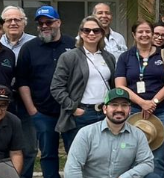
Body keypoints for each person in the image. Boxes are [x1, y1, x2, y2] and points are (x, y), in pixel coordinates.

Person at [15, 6, 76, 178]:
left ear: (58, 23)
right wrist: (32, 109)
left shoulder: (73, 45)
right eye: (40, 23)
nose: (44, 26)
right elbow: (22, 81)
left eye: (48, 22)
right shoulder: (29, 48)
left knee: (74, 153)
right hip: (42, 112)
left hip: (69, 111)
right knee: (48, 153)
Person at [115, 20, 164, 178]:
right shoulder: (125, 57)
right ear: (134, 35)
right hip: (135, 112)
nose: (144, 35)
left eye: (148, 31)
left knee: (159, 158)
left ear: (153, 34)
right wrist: (142, 103)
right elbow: (120, 85)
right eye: (140, 31)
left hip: (161, 112)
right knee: (134, 155)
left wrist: (154, 102)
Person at [50, 16, 116, 144]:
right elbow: (56, 87)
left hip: (105, 113)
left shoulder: (109, 57)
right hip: (82, 114)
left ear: (102, 33)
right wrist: (73, 108)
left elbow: (112, 85)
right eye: (87, 30)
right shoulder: (69, 57)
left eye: (96, 30)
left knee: (104, 153)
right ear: (80, 33)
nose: (91, 33)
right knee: (79, 155)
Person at [0, 5, 37, 178]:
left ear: (24, 23)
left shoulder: (34, 44)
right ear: (3, 23)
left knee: (28, 146)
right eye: (8, 20)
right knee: (2, 146)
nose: (13, 23)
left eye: (17, 20)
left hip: (27, 101)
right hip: (0, 102)